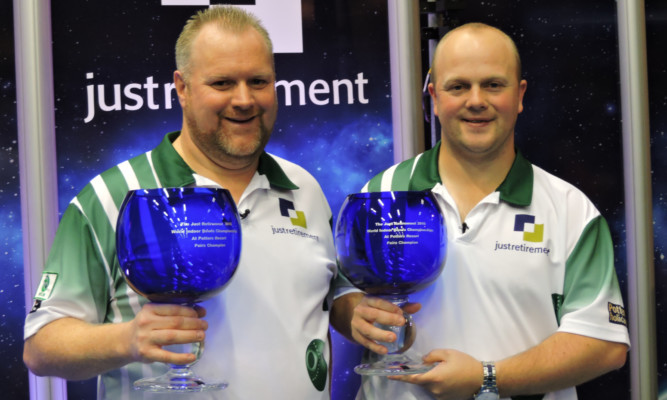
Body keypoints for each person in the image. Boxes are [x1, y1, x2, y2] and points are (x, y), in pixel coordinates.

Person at [23, 6, 337, 399]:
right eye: (222, 83)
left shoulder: (304, 187)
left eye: (258, 81)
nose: (244, 99)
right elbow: (41, 346)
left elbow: (329, 302)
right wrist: (127, 339)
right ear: (183, 87)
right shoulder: (114, 196)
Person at [330, 22, 630, 400]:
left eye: (493, 84)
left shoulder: (569, 210)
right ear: (434, 98)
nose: (476, 100)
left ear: (519, 95)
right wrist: (355, 313)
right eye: (458, 86)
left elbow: (604, 344)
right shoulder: (381, 193)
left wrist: (487, 377)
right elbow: (340, 291)